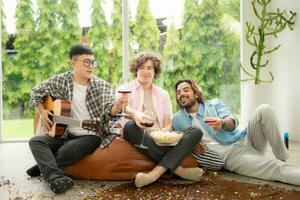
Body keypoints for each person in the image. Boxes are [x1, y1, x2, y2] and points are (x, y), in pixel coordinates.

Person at [26, 44, 127, 193]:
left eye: (93, 62)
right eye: (86, 61)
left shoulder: (101, 86)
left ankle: (48, 170)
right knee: (36, 141)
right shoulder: (62, 80)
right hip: (64, 132)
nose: (91, 66)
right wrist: (42, 111)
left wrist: (116, 108)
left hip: (90, 135)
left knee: (65, 152)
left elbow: (109, 109)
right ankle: (55, 176)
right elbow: (36, 91)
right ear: (73, 63)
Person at [172, 79, 300, 186]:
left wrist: (222, 123)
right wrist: (190, 145)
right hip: (232, 155)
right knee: (274, 168)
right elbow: (174, 139)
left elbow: (232, 122)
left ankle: (282, 157)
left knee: (264, 110)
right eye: (178, 93)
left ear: (195, 94)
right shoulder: (178, 119)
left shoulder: (214, 104)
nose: (181, 94)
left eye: (186, 90)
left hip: (245, 138)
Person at [116, 52, 204, 188]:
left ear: (155, 72)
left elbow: (168, 122)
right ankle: (180, 171)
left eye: (150, 68)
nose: (146, 71)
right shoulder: (125, 89)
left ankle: (153, 175)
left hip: (160, 136)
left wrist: (164, 133)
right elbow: (120, 108)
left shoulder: (162, 94)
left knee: (196, 131)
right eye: (142, 67)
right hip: (139, 133)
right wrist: (135, 114)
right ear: (136, 69)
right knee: (130, 126)